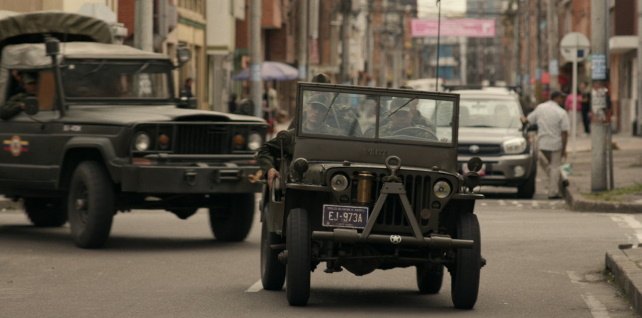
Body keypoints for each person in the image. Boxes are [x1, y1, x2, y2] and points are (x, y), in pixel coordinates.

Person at [521, 91, 570, 199]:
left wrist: (520, 124)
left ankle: (560, 179)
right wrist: (564, 149)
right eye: (561, 98)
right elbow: (565, 133)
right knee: (555, 167)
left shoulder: (540, 108)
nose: (563, 100)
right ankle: (553, 192)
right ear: (557, 98)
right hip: (556, 144)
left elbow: (527, 120)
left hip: (542, 143)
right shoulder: (561, 112)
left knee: (548, 167)